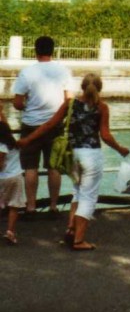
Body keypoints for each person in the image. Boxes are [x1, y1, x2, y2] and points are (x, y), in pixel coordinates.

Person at [19, 74, 129, 251]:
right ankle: (79, 240)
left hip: (72, 155)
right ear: (99, 89)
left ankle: (71, 230)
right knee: (88, 197)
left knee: (77, 193)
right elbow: (105, 136)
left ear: (82, 87)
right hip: (91, 155)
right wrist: (120, 149)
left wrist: (27, 139)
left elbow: (49, 125)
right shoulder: (102, 108)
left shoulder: (70, 104)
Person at [11, 36, 72, 216]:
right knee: (53, 167)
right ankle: (53, 206)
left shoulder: (27, 72)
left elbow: (17, 103)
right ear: (52, 50)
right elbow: (69, 100)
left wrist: (27, 106)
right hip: (55, 126)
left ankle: (31, 207)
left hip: (30, 125)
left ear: (35, 50)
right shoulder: (63, 71)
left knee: (30, 168)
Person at [0, 120, 22, 245]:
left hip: (3, 177)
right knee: (14, 205)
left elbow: (0, 164)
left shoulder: (1, 146)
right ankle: (10, 231)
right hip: (16, 176)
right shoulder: (14, 144)